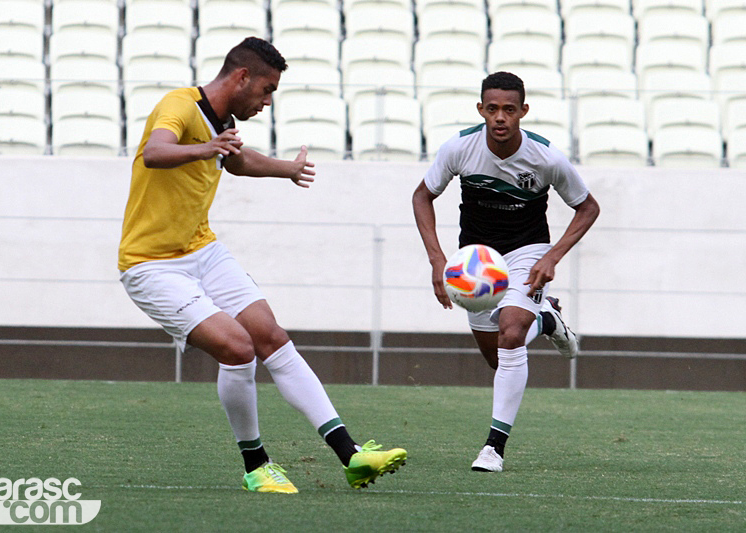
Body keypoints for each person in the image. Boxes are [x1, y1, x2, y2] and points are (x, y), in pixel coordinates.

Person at [118, 37, 406, 493]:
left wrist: (286, 169)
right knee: (237, 348)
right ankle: (256, 467)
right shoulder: (178, 105)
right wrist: (206, 148)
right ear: (241, 77)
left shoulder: (221, 120)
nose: (268, 101)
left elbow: (235, 161)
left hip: (202, 251)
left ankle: (352, 456)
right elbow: (156, 153)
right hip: (151, 265)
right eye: (267, 89)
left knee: (270, 337)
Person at [412, 71, 600, 472]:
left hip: (527, 254)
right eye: (492, 109)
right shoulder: (459, 148)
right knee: (499, 359)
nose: (500, 117)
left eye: (509, 110)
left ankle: (493, 449)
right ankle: (546, 319)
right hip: (476, 262)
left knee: (511, 334)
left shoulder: (545, 157)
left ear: (523, 112)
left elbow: (588, 207)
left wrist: (552, 257)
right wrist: (437, 259)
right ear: (481, 109)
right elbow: (422, 195)